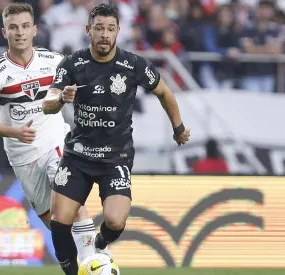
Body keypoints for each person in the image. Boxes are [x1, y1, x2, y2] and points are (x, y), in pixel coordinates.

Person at [42, 3, 190, 275]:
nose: (104, 34)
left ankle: (100, 244)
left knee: (116, 221)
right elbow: (48, 102)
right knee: (59, 223)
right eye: (99, 28)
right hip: (77, 156)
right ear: (88, 30)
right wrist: (61, 98)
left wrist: (178, 127)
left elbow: (165, 93)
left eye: (110, 29)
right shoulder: (73, 63)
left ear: (118, 31)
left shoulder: (133, 64)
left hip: (116, 157)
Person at [0, 2, 98, 263]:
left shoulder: (53, 62)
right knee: (58, 228)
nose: (20, 32)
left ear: (34, 30)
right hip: (22, 157)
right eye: (13, 27)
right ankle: (94, 259)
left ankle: (97, 264)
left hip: (56, 144)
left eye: (25, 26)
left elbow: (80, 88)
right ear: (4, 33)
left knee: (73, 206)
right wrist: (13, 132)